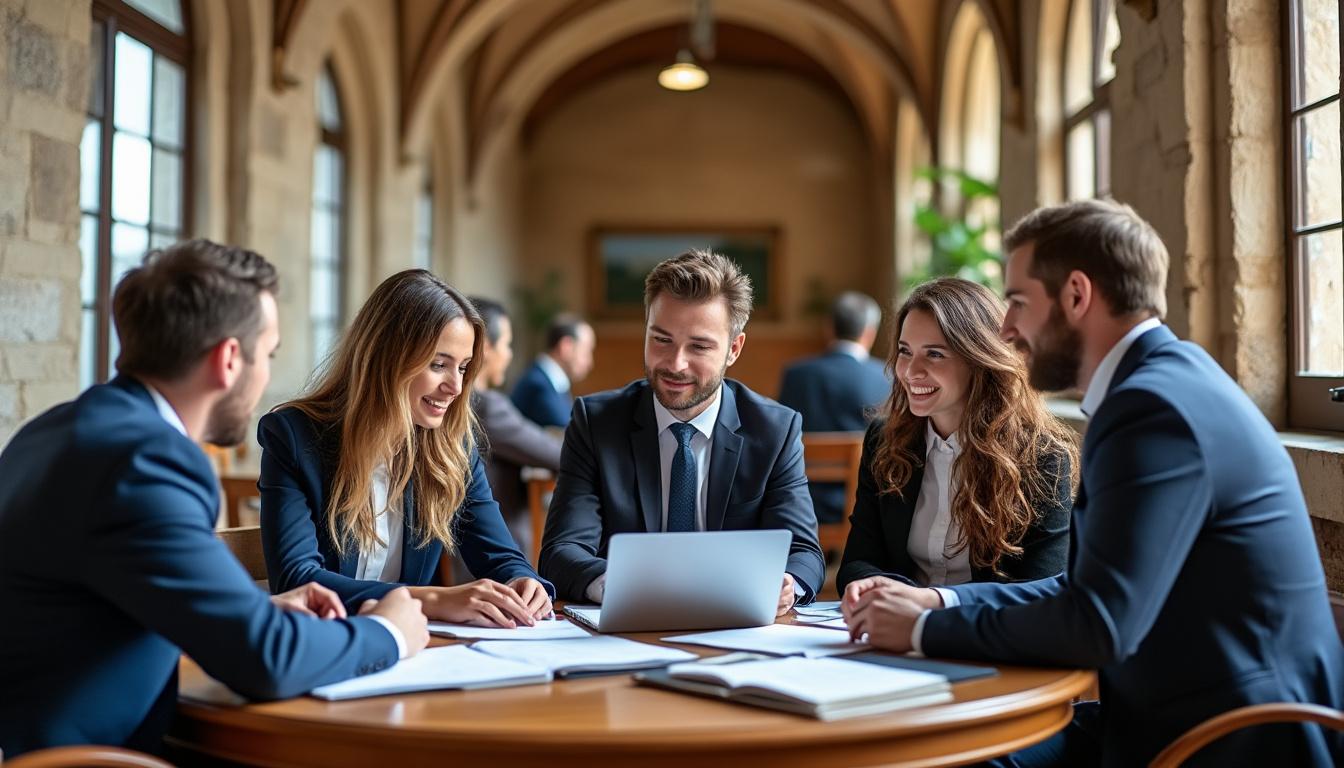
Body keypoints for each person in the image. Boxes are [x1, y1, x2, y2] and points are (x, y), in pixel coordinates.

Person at [843, 200, 1344, 767]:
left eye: (1018, 301)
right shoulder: (1168, 382)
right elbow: (1088, 592)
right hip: (1170, 715)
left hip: (1224, 740)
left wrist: (924, 629)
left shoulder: (1149, 410)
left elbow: (1099, 623)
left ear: (1077, 295)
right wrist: (938, 599)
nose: (1006, 328)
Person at [0, 241, 428, 757]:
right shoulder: (149, 461)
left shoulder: (54, 430)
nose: (267, 375)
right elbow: (265, 662)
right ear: (229, 359)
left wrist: (254, 609)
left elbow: (95, 601)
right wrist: (389, 631)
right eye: (267, 355)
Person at [259, 270, 554, 629]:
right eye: (438, 365)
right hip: (328, 647)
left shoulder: (452, 446)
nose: (456, 388)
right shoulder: (293, 436)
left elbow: (500, 557)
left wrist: (523, 582)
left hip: (417, 654)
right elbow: (298, 579)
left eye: (463, 368)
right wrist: (431, 598)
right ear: (387, 358)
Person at [539, 249, 825, 614]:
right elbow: (561, 551)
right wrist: (625, 587)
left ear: (733, 349)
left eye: (700, 346)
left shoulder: (775, 430)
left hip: (739, 633)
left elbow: (803, 553)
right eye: (661, 340)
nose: (675, 364)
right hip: (624, 625)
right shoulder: (596, 422)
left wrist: (788, 584)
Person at [835, 278, 1076, 597]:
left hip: (983, 641)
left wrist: (935, 602)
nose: (910, 371)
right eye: (905, 351)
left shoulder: (1043, 457)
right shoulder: (884, 441)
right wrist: (878, 588)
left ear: (980, 360)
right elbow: (857, 562)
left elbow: (1043, 589)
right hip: (894, 634)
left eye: (934, 354)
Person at [778, 291, 891, 523]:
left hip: (801, 499)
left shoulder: (796, 374)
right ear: (869, 333)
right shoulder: (886, 378)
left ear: (829, 328)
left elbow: (781, 436)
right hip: (863, 502)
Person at [468, 296, 562, 554]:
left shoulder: (465, 403)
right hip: (492, 554)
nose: (509, 355)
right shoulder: (485, 406)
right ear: (487, 347)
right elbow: (558, 454)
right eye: (507, 345)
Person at [511, 313, 595, 428]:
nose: (590, 363)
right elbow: (569, 433)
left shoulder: (547, 379)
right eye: (586, 351)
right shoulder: (539, 385)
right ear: (566, 347)